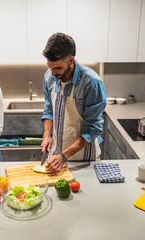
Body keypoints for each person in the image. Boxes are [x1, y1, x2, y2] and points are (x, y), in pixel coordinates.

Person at [41, 33, 106, 173]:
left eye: (57, 68)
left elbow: (93, 129)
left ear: (71, 60)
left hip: (84, 159)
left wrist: (64, 156)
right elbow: (49, 110)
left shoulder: (91, 83)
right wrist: (47, 134)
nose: (52, 73)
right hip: (56, 156)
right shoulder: (49, 77)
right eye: (49, 66)